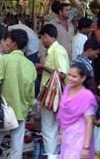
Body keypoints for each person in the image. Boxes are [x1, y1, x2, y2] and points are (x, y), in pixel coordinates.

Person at [0, 29, 36, 159]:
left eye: (9, 40)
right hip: (21, 111)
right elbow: (30, 94)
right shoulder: (30, 65)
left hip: (4, 112)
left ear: (13, 43)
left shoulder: (5, 60)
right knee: (17, 148)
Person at [36, 24, 69, 157]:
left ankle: (51, 154)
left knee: (48, 127)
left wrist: (43, 67)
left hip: (53, 95)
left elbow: (62, 73)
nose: (41, 41)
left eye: (42, 38)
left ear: (46, 36)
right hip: (51, 95)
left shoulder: (58, 51)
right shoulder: (53, 50)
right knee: (52, 127)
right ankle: (53, 153)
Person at [56, 63, 97, 159]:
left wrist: (86, 147)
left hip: (80, 137)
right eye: (69, 75)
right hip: (67, 135)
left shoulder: (87, 95)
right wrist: (61, 133)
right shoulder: (67, 90)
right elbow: (63, 114)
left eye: (74, 76)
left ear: (83, 78)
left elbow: (89, 122)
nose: (70, 78)